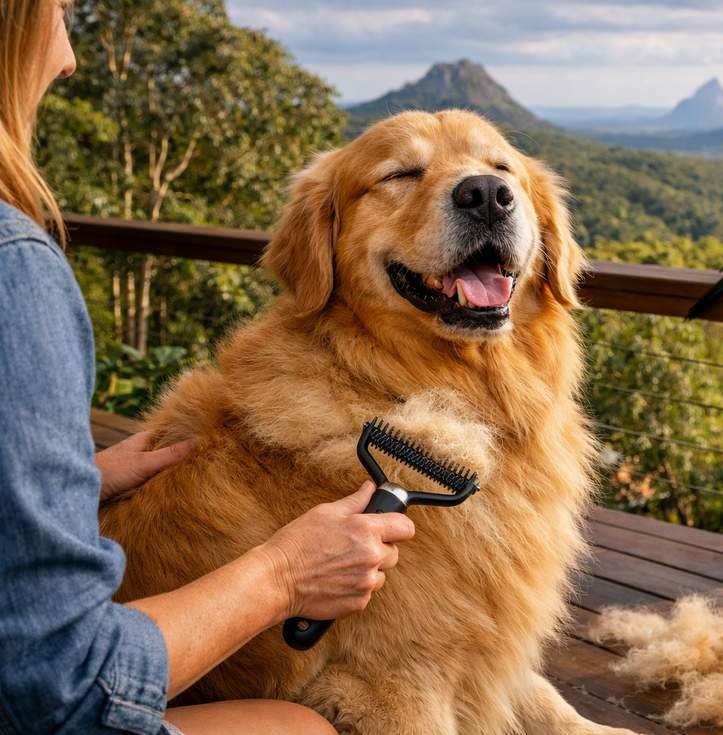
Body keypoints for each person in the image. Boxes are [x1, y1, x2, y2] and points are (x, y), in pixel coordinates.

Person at [0, 3, 416, 733]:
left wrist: (71, 482)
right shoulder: (14, 269)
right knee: (305, 727)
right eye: (60, 13)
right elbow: (57, 689)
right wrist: (283, 573)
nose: (68, 58)